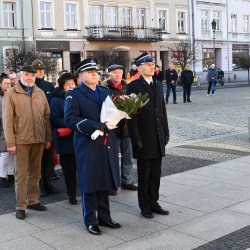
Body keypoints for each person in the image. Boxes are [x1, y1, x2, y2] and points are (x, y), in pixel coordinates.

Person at [64, 58, 121, 235]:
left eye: (96, 72)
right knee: (90, 183)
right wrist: (93, 124)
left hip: (107, 143)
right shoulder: (74, 94)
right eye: (91, 72)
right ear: (81, 76)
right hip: (88, 144)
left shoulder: (105, 92)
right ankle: (90, 220)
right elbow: (70, 119)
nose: (95, 75)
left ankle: (105, 217)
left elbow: (113, 112)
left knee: (105, 180)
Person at [2, 65, 52, 220]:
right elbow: (7, 120)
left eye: (32, 75)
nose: (30, 77)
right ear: (20, 75)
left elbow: (46, 116)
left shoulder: (40, 92)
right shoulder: (11, 93)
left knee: (35, 173)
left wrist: (47, 137)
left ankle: (33, 200)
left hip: (38, 139)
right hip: (21, 140)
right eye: (27, 75)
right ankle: (21, 206)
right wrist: (10, 143)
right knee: (21, 175)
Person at [126, 53, 170, 219]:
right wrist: (135, 138)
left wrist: (166, 131)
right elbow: (131, 115)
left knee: (156, 173)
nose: (152, 67)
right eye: (148, 65)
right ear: (140, 67)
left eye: (153, 65)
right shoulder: (133, 86)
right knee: (144, 174)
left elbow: (162, 110)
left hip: (157, 135)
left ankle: (154, 202)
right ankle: (144, 205)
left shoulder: (158, 84)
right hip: (143, 137)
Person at [102, 64, 138, 194]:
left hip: (127, 128)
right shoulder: (104, 88)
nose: (118, 75)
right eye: (115, 72)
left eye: (120, 72)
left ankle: (127, 180)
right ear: (109, 74)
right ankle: (113, 183)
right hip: (112, 129)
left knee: (127, 157)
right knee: (112, 158)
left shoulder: (127, 87)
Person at [32, 59, 58, 196]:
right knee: (39, 156)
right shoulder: (31, 86)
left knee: (49, 156)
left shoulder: (49, 86)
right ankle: (39, 183)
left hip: (49, 124)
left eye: (42, 70)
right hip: (36, 124)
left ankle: (47, 181)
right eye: (37, 70)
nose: (40, 71)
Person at [51, 73, 78, 205]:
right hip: (66, 140)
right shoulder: (57, 100)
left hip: (80, 138)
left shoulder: (79, 96)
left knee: (82, 167)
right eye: (67, 84)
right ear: (62, 86)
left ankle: (85, 190)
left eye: (72, 83)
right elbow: (55, 119)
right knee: (69, 170)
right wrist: (71, 123)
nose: (70, 86)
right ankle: (71, 194)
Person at [0, 76, 14, 188]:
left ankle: (11, 175)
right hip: (2, 127)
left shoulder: (13, 95)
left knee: (12, 153)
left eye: (9, 83)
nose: (8, 85)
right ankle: (2, 177)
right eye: (5, 83)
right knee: (4, 153)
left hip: (13, 127)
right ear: (1, 85)